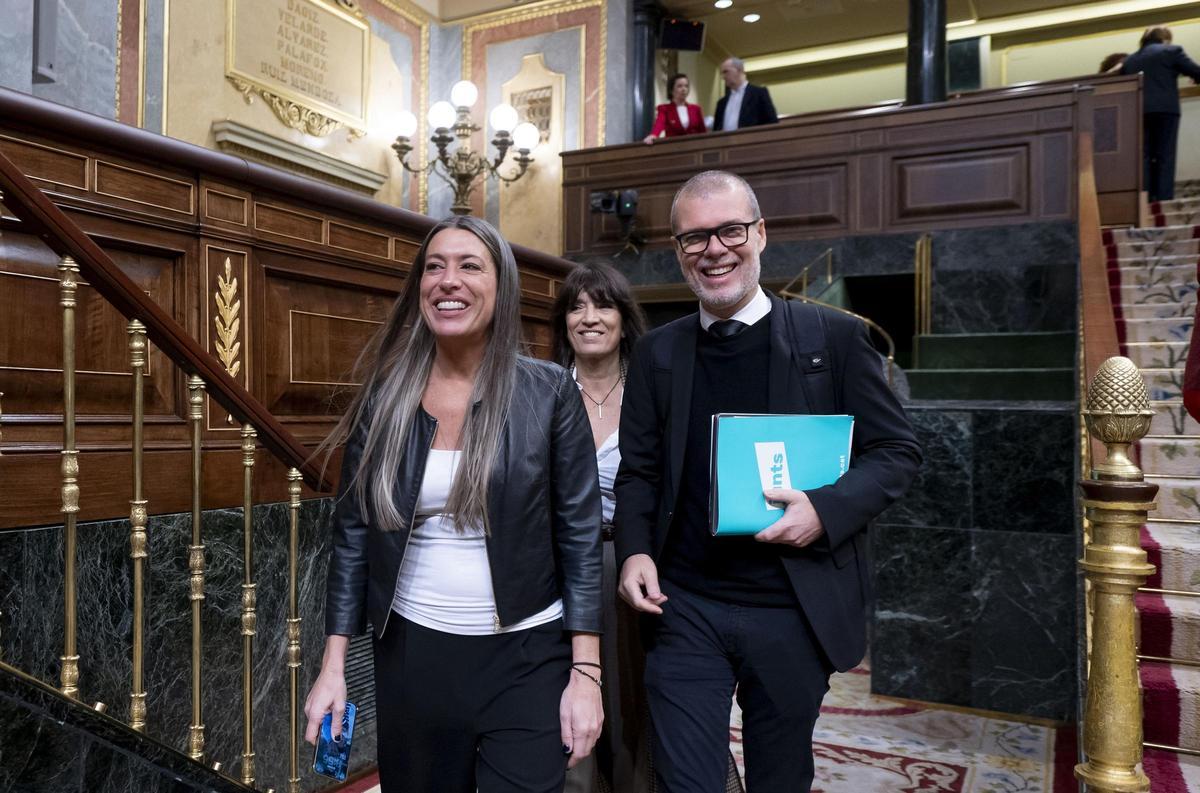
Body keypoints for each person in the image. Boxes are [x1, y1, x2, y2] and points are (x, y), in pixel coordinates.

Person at [614, 171, 922, 792]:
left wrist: (825, 510)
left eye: (730, 230)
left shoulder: (833, 338)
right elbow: (639, 471)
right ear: (678, 250)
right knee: (684, 782)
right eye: (695, 237)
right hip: (685, 606)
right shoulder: (657, 354)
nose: (714, 250)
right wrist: (634, 551)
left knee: (779, 777)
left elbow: (896, 451)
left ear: (759, 233)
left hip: (792, 608)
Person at [304, 216, 604, 793]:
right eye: (434, 267)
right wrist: (333, 666)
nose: (448, 280)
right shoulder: (387, 396)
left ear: (502, 285)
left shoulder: (549, 392)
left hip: (528, 654)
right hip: (413, 655)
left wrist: (586, 673)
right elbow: (352, 535)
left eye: (470, 266)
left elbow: (580, 537)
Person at [1121, 26, 1200, 201]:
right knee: (1165, 154)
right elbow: (1196, 71)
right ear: (1165, 39)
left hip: (1139, 111)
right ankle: (1164, 199)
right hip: (1166, 110)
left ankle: (1146, 200)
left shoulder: (1130, 60)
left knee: (1144, 155)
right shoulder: (1171, 51)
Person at [712, 58, 778, 132]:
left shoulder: (759, 94)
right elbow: (716, 130)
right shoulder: (721, 103)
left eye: (726, 72)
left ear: (739, 70)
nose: (723, 77)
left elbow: (772, 123)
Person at [644, 73, 707, 145]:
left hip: (694, 147)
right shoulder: (664, 109)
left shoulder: (696, 109)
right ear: (671, 90)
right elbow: (659, 124)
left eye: (686, 86)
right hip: (673, 147)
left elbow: (703, 132)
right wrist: (653, 135)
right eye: (679, 86)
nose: (684, 89)